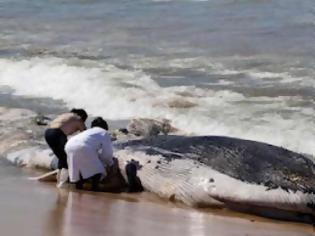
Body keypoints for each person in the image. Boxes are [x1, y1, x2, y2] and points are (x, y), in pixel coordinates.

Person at [65, 117, 114, 191]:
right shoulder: (104, 132)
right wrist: (110, 163)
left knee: (78, 169)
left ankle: (78, 188)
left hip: (69, 145)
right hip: (83, 146)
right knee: (98, 170)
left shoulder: (88, 132)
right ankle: (95, 188)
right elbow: (107, 153)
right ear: (105, 126)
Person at [45, 108, 88, 186]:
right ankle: (62, 183)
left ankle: (59, 179)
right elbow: (86, 134)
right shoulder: (78, 118)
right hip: (58, 134)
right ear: (82, 116)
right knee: (67, 158)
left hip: (48, 133)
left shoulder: (65, 115)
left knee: (61, 157)